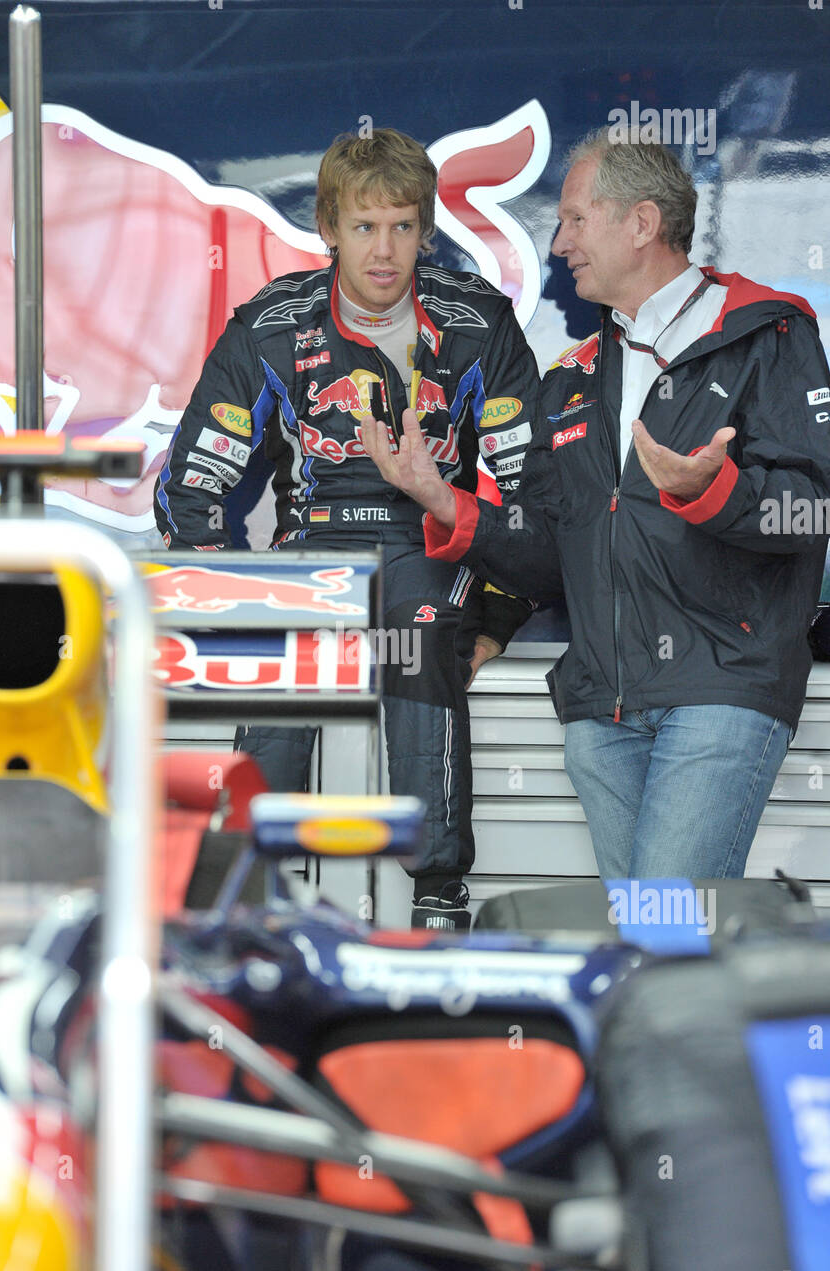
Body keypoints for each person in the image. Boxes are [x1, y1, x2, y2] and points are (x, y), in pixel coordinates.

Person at [362, 129, 830, 881]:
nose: (559, 241)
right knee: (649, 939)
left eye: (577, 218)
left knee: (665, 928)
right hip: (600, 714)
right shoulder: (571, 378)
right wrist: (439, 499)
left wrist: (709, 491)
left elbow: (810, 510)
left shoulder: (767, 333)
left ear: (640, 224)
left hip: (719, 690)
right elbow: (550, 554)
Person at [154, 128, 541, 927]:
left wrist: (497, 615)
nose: (384, 250)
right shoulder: (270, 324)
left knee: (426, 630)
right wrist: (231, 600)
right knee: (279, 648)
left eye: (402, 226)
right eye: (364, 226)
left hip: (427, 541)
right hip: (314, 545)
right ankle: (249, 902)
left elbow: (532, 490)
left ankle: (437, 895)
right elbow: (191, 481)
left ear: (426, 231)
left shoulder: (478, 321)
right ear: (328, 227)